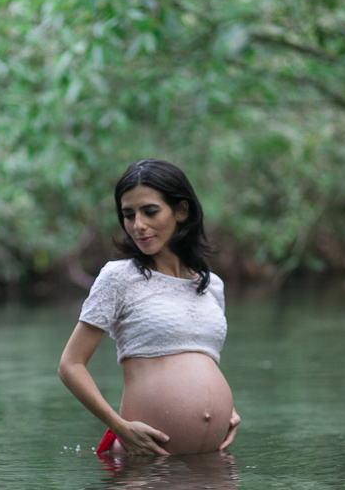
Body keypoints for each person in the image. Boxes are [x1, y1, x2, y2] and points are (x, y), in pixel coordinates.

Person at [58, 159, 240, 455]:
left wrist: (227, 410)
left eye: (150, 211)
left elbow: (202, 360)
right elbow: (70, 365)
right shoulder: (119, 277)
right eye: (128, 215)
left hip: (212, 463)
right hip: (148, 462)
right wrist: (119, 426)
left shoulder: (212, 285)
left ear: (182, 211)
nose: (137, 225)